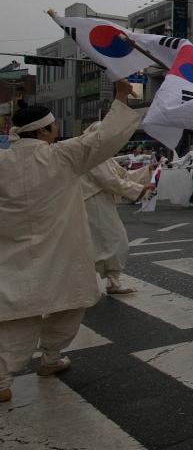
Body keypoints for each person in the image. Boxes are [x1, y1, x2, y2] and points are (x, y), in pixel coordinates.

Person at [0, 84, 139, 402]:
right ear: (46, 130)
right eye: (54, 127)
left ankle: (3, 379)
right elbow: (104, 139)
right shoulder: (63, 156)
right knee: (69, 305)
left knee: (17, 316)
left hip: (13, 254)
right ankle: (50, 357)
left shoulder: (3, 162)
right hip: (62, 253)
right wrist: (119, 97)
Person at [81, 128, 155, 295]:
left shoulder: (102, 155)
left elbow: (122, 175)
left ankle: (110, 280)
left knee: (101, 242)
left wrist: (148, 170)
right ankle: (109, 280)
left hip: (100, 202)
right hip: (94, 202)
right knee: (114, 240)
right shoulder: (94, 155)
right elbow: (110, 181)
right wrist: (139, 189)